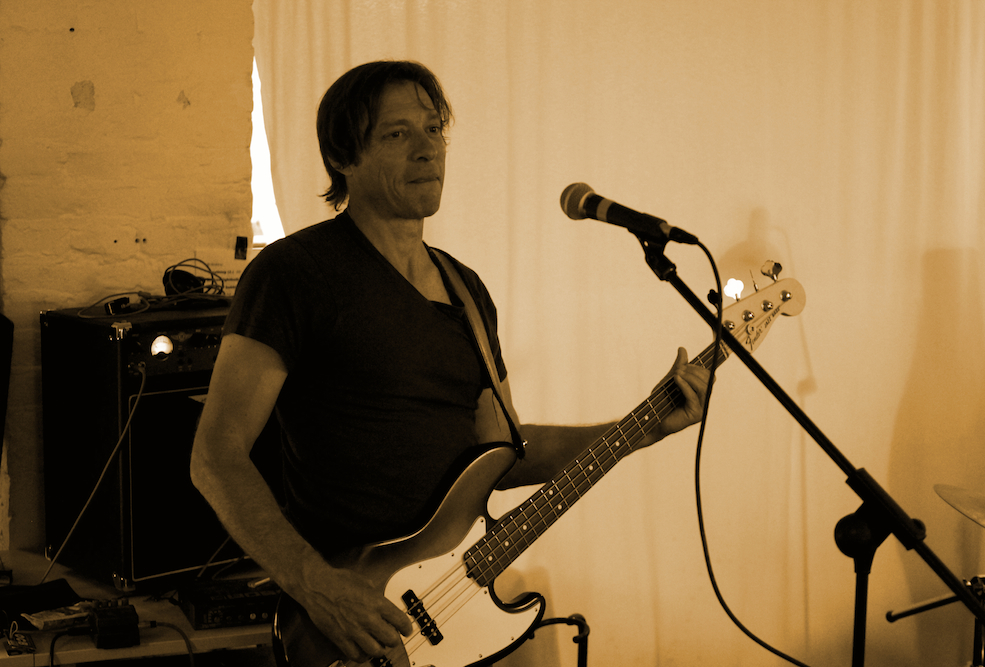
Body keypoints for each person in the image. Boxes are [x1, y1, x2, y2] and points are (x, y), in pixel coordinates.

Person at [190, 60, 710, 665]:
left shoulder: (468, 290)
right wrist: (315, 585)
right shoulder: (293, 275)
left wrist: (641, 428)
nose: (427, 149)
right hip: (345, 624)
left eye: (434, 129)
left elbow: (505, 454)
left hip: (441, 615)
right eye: (397, 133)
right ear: (342, 157)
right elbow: (216, 455)